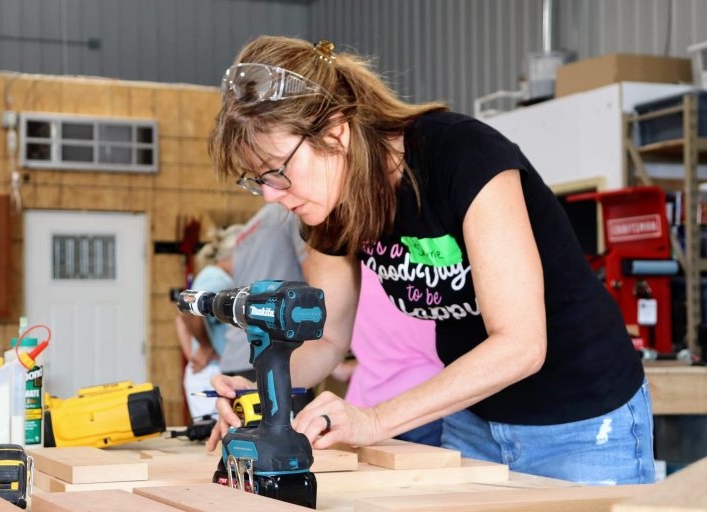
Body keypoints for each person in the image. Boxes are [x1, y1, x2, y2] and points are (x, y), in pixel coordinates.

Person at [205, 36, 654, 485]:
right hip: (474, 419)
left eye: (277, 171)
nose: (270, 196)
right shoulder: (331, 206)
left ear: (335, 133)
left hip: (582, 419)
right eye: (257, 180)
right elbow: (327, 339)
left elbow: (521, 345)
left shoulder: (462, 154)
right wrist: (263, 390)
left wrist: (375, 420)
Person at [333, 263, 443, 446]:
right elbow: (439, 349)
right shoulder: (420, 272)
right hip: (424, 401)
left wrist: (345, 367)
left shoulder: (352, 270)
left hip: (363, 403)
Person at [217, 203, 308, 379]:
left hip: (236, 356)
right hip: (273, 355)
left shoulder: (243, 235)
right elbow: (317, 278)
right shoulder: (288, 213)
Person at [177, 223, 243, 420]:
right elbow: (186, 311)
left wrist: (194, 355)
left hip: (207, 369)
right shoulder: (218, 280)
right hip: (211, 372)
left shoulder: (215, 276)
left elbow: (179, 321)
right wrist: (206, 347)